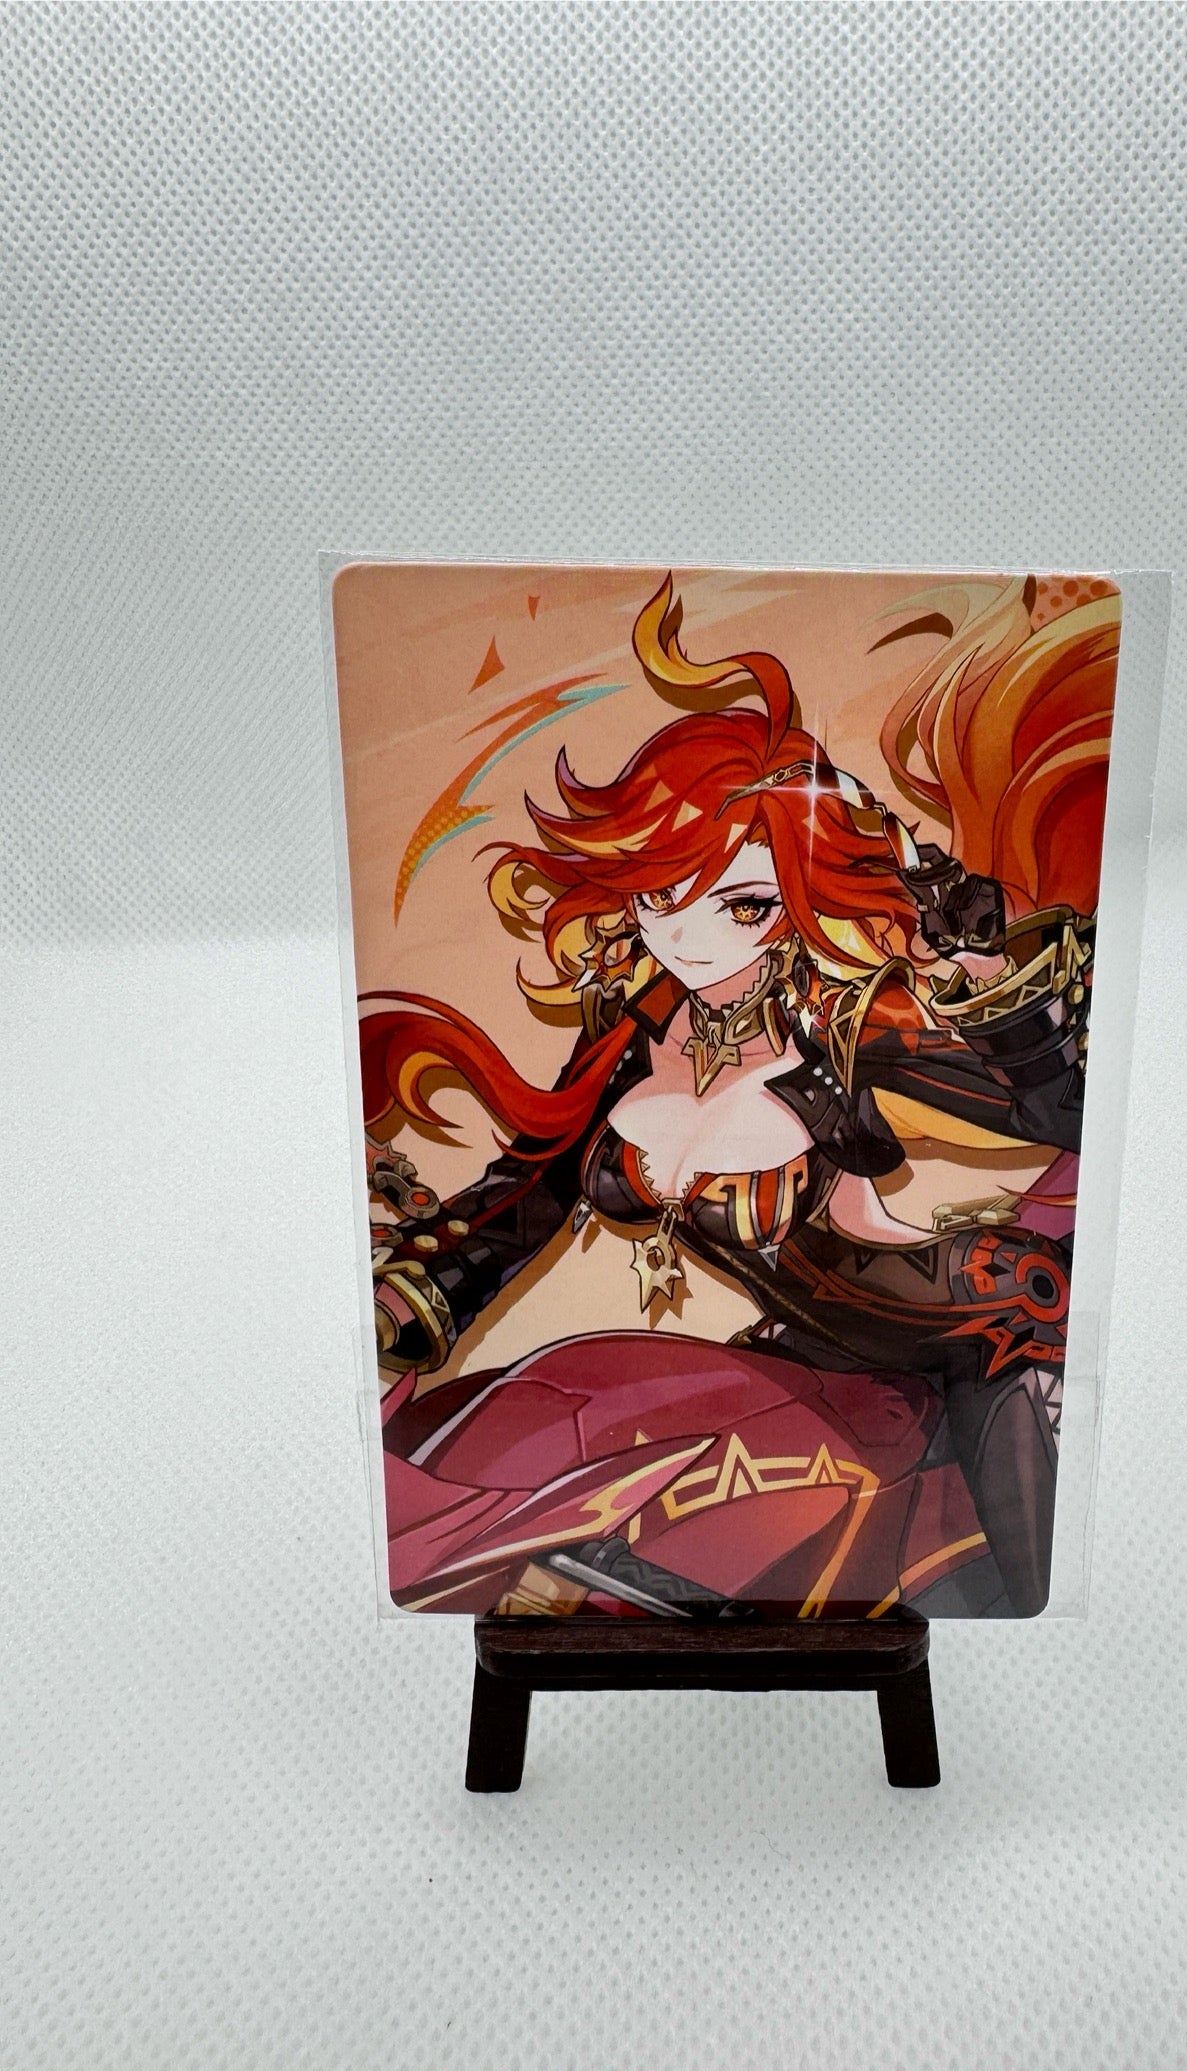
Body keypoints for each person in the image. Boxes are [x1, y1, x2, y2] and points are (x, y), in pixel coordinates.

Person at [363, 572, 1119, 1619]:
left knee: (1030, 1591)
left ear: (798, 894)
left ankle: (1060, 1650)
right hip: (803, 1352)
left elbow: (1066, 1115)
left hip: (974, 1324)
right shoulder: (631, 1029)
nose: (691, 936)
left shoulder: (847, 1018)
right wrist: (406, 1296)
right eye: (660, 895)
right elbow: (526, 1193)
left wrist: (989, 975)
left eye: (746, 903)